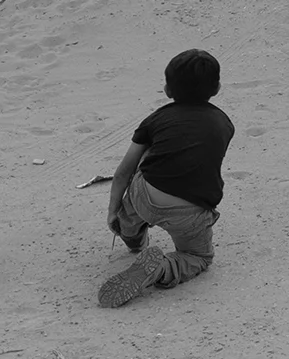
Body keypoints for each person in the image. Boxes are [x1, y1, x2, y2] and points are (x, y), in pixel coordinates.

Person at [97, 48, 235, 308]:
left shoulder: (155, 119)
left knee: (147, 162)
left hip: (145, 196)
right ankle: (161, 269)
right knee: (198, 256)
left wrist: (112, 211)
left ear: (167, 90)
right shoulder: (224, 123)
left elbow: (123, 172)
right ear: (217, 88)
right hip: (189, 210)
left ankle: (130, 231)